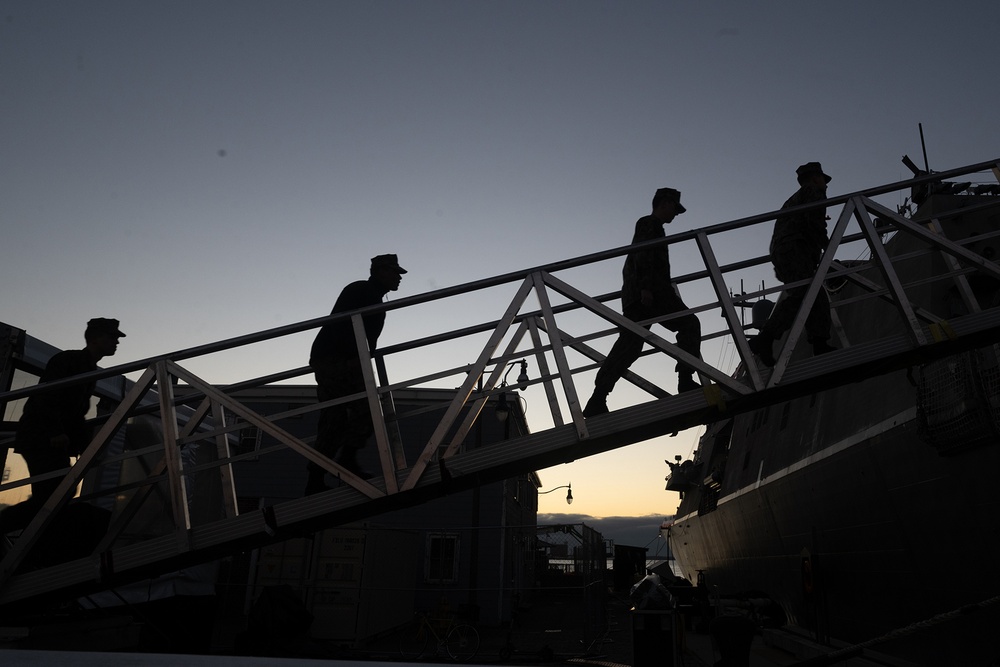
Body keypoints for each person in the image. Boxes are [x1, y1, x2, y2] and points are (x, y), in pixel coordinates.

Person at [583, 188, 702, 417]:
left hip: (641, 294)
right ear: (665, 203)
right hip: (650, 294)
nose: (675, 214)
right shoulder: (650, 224)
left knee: (629, 346)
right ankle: (685, 379)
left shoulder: (650, 225)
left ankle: (598, 398)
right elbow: (644, 254)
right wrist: (646, 288)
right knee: (689, 324)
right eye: (674, 209)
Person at [0, 318, 125, 533]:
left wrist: (87, 449)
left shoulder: (88, 368)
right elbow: (48, 396)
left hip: (49, 440)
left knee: (57, 495)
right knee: (54, 496)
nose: (117, 342)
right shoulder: (68, 360)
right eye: (112, 337)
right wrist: (56, 432)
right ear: (95, 339)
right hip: (42, 438)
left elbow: (75, 414)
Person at [306, 254, 406, 493]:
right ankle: (317, 477)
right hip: (335, 360)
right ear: (380, 271)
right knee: (336, 418)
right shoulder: (360, 290)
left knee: (364, 410)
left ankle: (343, 461)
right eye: (394, 272)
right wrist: (352, 357)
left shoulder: (373, 298)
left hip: (348, 360)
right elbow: (340, 323)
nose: (399, 278)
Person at [749, 162, 836, 366]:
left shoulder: (794, 200)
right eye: (824, 179)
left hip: (784, 253)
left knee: (815, 296)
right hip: (795, 251)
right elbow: (813, 222)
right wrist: (828, 247)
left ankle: (819, 344)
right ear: (815, 178)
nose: (826, 184)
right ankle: (766, 338)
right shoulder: (813, 192)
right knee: (804, 294)